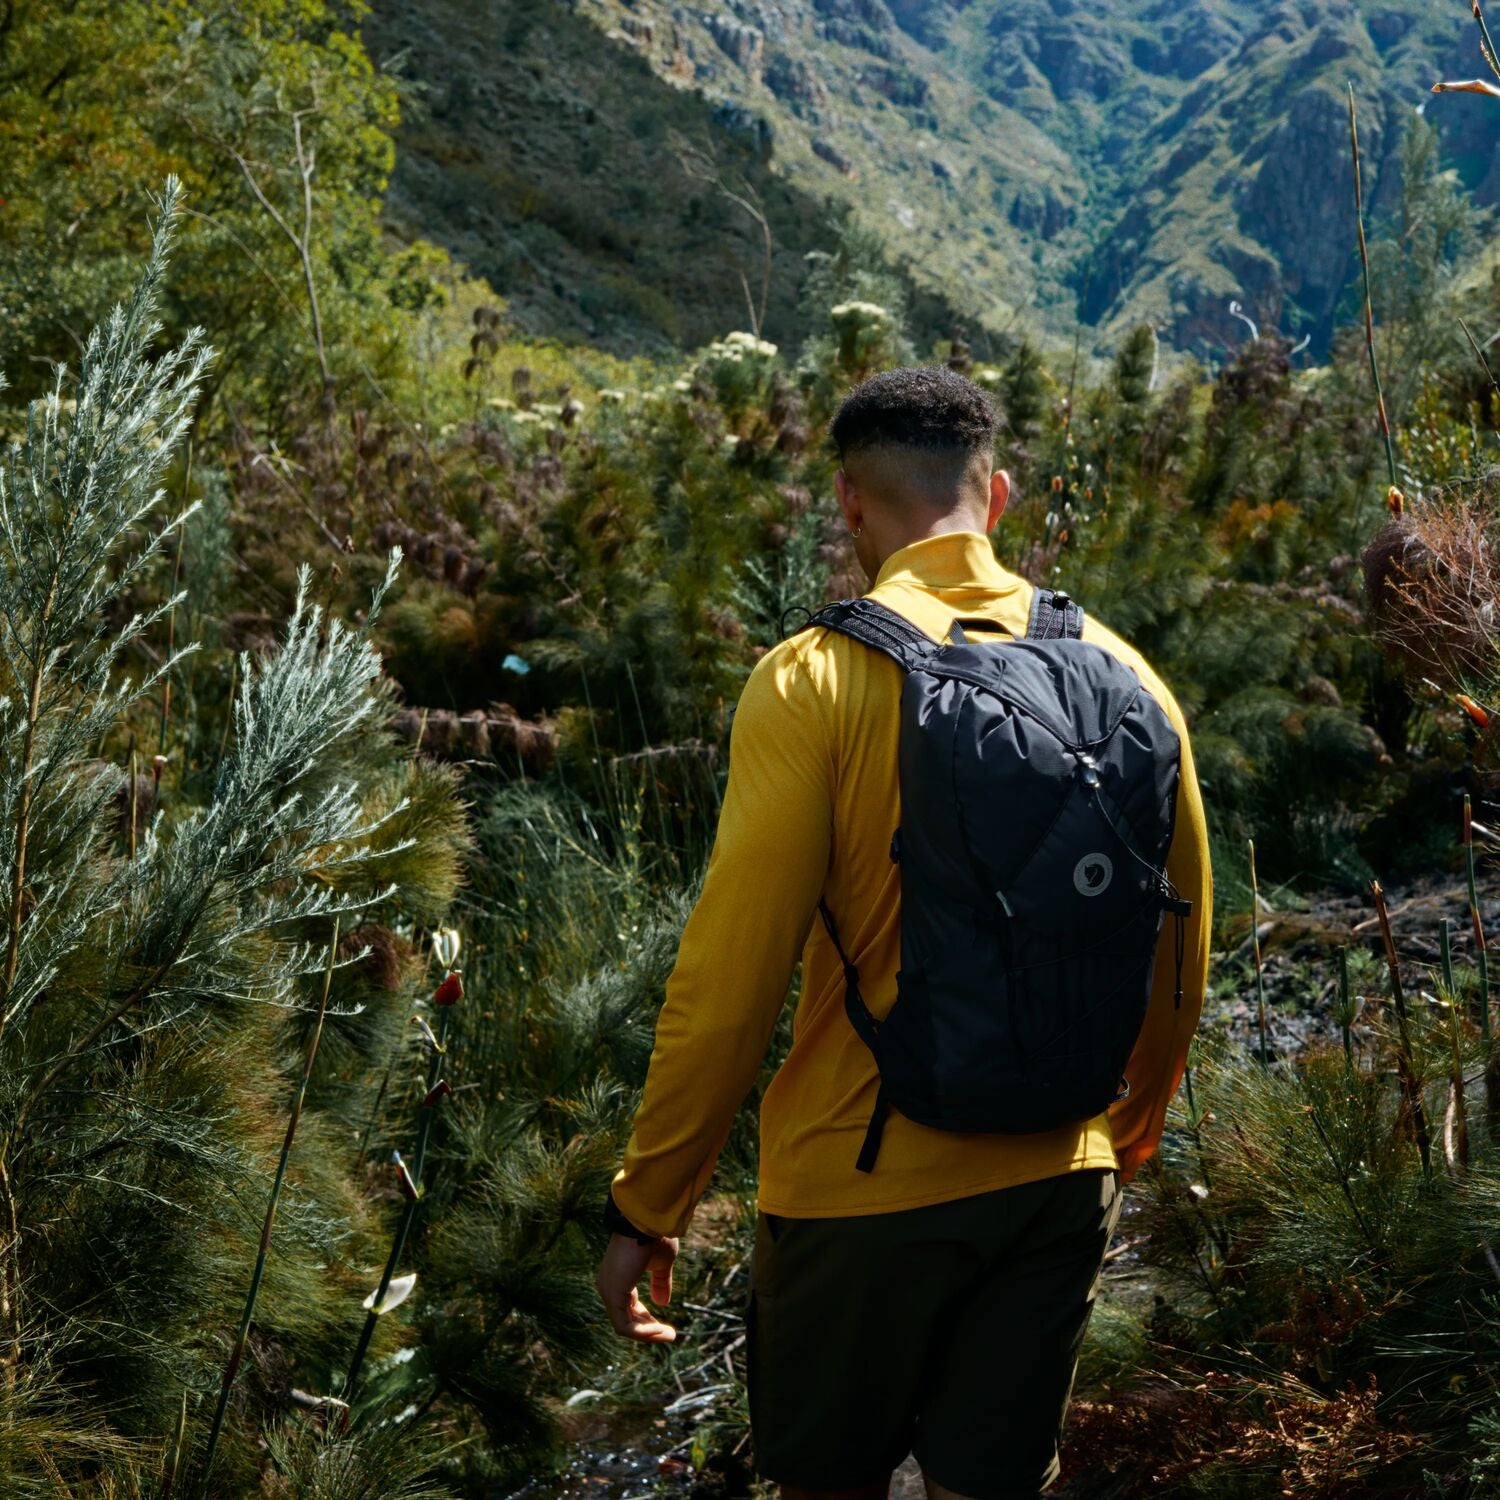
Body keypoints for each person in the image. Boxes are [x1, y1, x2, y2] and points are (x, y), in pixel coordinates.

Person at [596, 364, 1211, 1499]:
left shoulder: (814, 680)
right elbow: (1180, 948)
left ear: (849, 505)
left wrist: (652, 1199)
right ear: (1002, 493)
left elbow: (732, 977)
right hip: (1060, 1175)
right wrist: (1126, 1129)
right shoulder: (1126, 676)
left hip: (858, 1186)